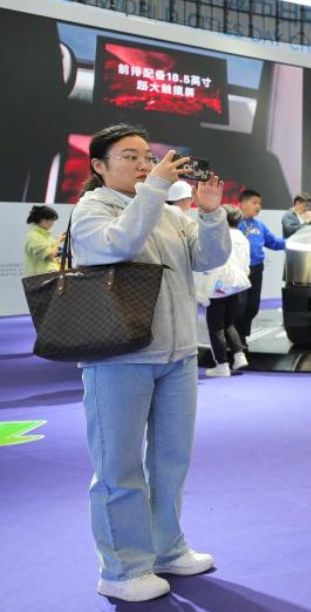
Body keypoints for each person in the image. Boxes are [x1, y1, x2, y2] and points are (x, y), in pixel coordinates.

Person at [70, 123, 230, 603]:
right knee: (118, 467)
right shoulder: (91, 210)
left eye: (147, 156)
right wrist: (157, 188)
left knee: (170, 461)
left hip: (178, 355)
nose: (144, 165)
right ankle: (121, 568)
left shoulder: (163, 210)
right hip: (119, 356)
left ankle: (167, 547)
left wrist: (209, 211)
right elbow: (118, 244)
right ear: (99, 166)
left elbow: (208, 259)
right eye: (130, 157)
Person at [196, 205, 252, 377]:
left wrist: (202, 290)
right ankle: (239, 355)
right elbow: (245, 263)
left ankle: (222, 365)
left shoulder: (220, 236)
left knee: (215, 326)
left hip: (218, 286)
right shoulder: (243, 237)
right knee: (228, 323)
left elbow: (212, 264)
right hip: (238, 285)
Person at [235, 189, 286, 342]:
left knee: (252, 305)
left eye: (260, 204)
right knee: (239, 305)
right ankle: (236, 338)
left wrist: (294, 241)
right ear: (242, 204)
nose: (258, 206)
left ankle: (243, 334)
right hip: (238, 271)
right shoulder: (234, 224)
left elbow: (275, 243)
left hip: (256, 270)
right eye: (254, 203)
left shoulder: (261, 226)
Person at [24, 204, 62, 276]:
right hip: (41, 279)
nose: (53, 223)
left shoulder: (44, 235)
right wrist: (58, 240)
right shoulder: (34, 236)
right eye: (52, 220)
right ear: (43, 220)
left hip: (49, 277)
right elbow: (50, 255)